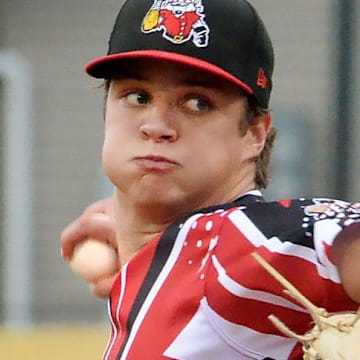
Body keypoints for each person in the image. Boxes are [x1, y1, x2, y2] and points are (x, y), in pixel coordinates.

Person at [61, 0, 360, 359]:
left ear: (254, 133)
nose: (156, 126)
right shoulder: (177, 255)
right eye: (137, 96)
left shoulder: (230, 244)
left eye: (198, 103)